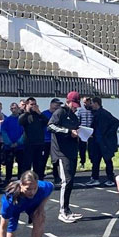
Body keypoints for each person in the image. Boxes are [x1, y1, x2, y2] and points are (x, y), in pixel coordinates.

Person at [0, 170, 52, 237]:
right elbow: (2, 228)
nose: (32, 192)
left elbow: (51, 187)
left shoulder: (43, 187)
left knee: (40, 216)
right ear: (21, 185)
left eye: (34, 188)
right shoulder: (9, 200)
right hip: (16, 207)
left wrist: (40, 207)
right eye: (28, 189)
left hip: (31, 205)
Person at [48, 91, 82, 224]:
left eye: (76, 105)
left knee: (70, 181)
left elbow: (76, 129)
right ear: (67, 102)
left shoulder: (73, 116)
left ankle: (67, 209)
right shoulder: (60, 112)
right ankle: (62, 211)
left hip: (72, 151)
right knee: (66, 181)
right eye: (73, 104)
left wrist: (82, 133)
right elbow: (51, 126)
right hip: (61, 152)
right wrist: (68, 131)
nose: (75, 107)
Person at [86, 97, 119, 187]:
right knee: (95, 161)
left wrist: (108, 134)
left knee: (108, 160)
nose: (90, 105)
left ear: (96, 103)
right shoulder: (95, 113)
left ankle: (110, 179)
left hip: (104, 143)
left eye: (92, 103)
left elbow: (116, 122)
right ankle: (95, 178)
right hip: (96, 142)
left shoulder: (104, 113)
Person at [19, 97, 49, 179]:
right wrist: (27, 111)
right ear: (27, 105)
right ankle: (25, 181)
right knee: (27, 164)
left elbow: (48, 122)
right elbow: (20, 121)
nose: (33, 106)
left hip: (39, 143)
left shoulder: (39, 115)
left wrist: (39, 112)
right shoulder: (25, 115)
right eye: (31, 104)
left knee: (38, 164)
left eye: (35, 104)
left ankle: (38, 181)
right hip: (29, 144)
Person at [0, 102, 25, 182]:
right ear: (10, 109)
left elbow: (25, 132)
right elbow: (3, 132)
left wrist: (19, 142)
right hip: (9, 146)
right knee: (9, 163)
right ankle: (8, 178)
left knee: (21, 163)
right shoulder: (7, 120)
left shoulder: (22, 120)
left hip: (20, 146)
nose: (14, 110)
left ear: (18, 109)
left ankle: (20, 178)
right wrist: (9, 143)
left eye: (15, 108)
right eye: (12, 108)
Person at [42, 98, 62, 184]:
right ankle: (40, 176)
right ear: (51, 104)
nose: (57, 106)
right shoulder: (44, 114)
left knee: (55, 160)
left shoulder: (59, 115)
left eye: (59, 105)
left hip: (55, 140)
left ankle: (56, 176)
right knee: (43, 159)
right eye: (56, 104)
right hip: (45, 140)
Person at [76, 97, 94, 170]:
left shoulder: (93, 111)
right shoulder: (80, 111)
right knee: (82, 148)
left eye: (86, 102)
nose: (84, 104)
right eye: (83, 102)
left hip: (91, 132)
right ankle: (82, 162)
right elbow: (78, 121)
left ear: (89, 102)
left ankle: (92, 161)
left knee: (91, 149)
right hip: (82, 132)